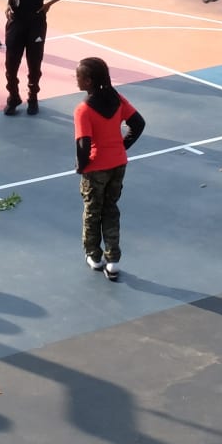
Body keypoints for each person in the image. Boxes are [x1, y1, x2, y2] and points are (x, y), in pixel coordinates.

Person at [73, 57, 145, 281]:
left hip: (96, 168)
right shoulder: (117, 99)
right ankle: (113, 259)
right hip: (118, 164)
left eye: (79, 77)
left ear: (88, 81)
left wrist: (82, 167)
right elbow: (138, 124)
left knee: (92, 211)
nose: (76, 80)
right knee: (111, 208)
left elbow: (83, 144)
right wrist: (121, 147)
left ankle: (94, 255)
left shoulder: (83, 110)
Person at [2, 0, 75, 116]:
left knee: (34, 64)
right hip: (16, 21)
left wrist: (49, 3)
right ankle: (13, 97)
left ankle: (33, 97)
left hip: (35, 23)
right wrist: (8, 5)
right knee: (11, 64)